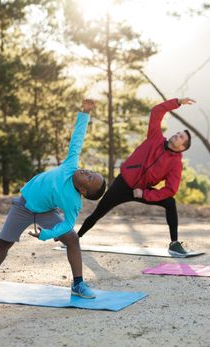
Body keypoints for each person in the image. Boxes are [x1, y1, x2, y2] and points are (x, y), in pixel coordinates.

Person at [0, 99, 106, 298]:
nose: (87, 171)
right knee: (4, 242)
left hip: (46, 213)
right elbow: (77, 139)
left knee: (72, 239)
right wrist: (85, 113)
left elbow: (68, 223)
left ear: (84, 191)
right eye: (91, 172)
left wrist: (47, 234)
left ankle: (78, 284)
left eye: (90, 177)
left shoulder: (74, 202)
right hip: (23, 206)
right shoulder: (71, 165)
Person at [77, 98, 196, 257]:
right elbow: (156, 111)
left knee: (170, 202)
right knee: (99, 212)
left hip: (141, 190)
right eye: (178, 133)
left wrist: (146, 194)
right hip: (123, 183)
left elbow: (170, 189)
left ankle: (174, 244)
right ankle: (75, 238)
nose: (177, 136)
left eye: (181, 138)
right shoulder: (156, 137)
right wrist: (178, 102)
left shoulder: (176, 163)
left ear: (182, 148)